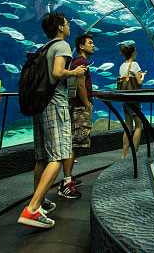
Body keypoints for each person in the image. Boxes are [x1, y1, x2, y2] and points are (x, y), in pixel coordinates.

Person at [17, 13, 86, 229]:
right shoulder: (63, 46)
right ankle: (33, 209)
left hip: (41, 105)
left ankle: (39, 199)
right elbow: (57, 73)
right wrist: (74, 71)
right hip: (55, 105)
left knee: (42, 157)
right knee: (59, 155)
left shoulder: (45, 48)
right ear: (59, 27)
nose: (69, 26)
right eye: (66, 23)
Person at [58, 33, 94, 199]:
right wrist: (87, 104)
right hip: (79, 107)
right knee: (73, 144)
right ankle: (66, 183)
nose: (93, 45)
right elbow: (81, 86)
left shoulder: (77, 61)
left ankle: (68, 178)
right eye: (90, 43)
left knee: (73, 143)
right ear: (81, 46)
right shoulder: (81, 62)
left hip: (75, 106)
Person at [117, 44, 145, 158]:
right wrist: (142, 76)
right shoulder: (134, 64)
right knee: (139, 125)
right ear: (133, 53)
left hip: (124, 99)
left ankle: (124, 155)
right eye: (135, 51)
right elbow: (139, 82)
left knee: (128, 127)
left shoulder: (122, 66)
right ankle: (134, 155)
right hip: (133, 100)